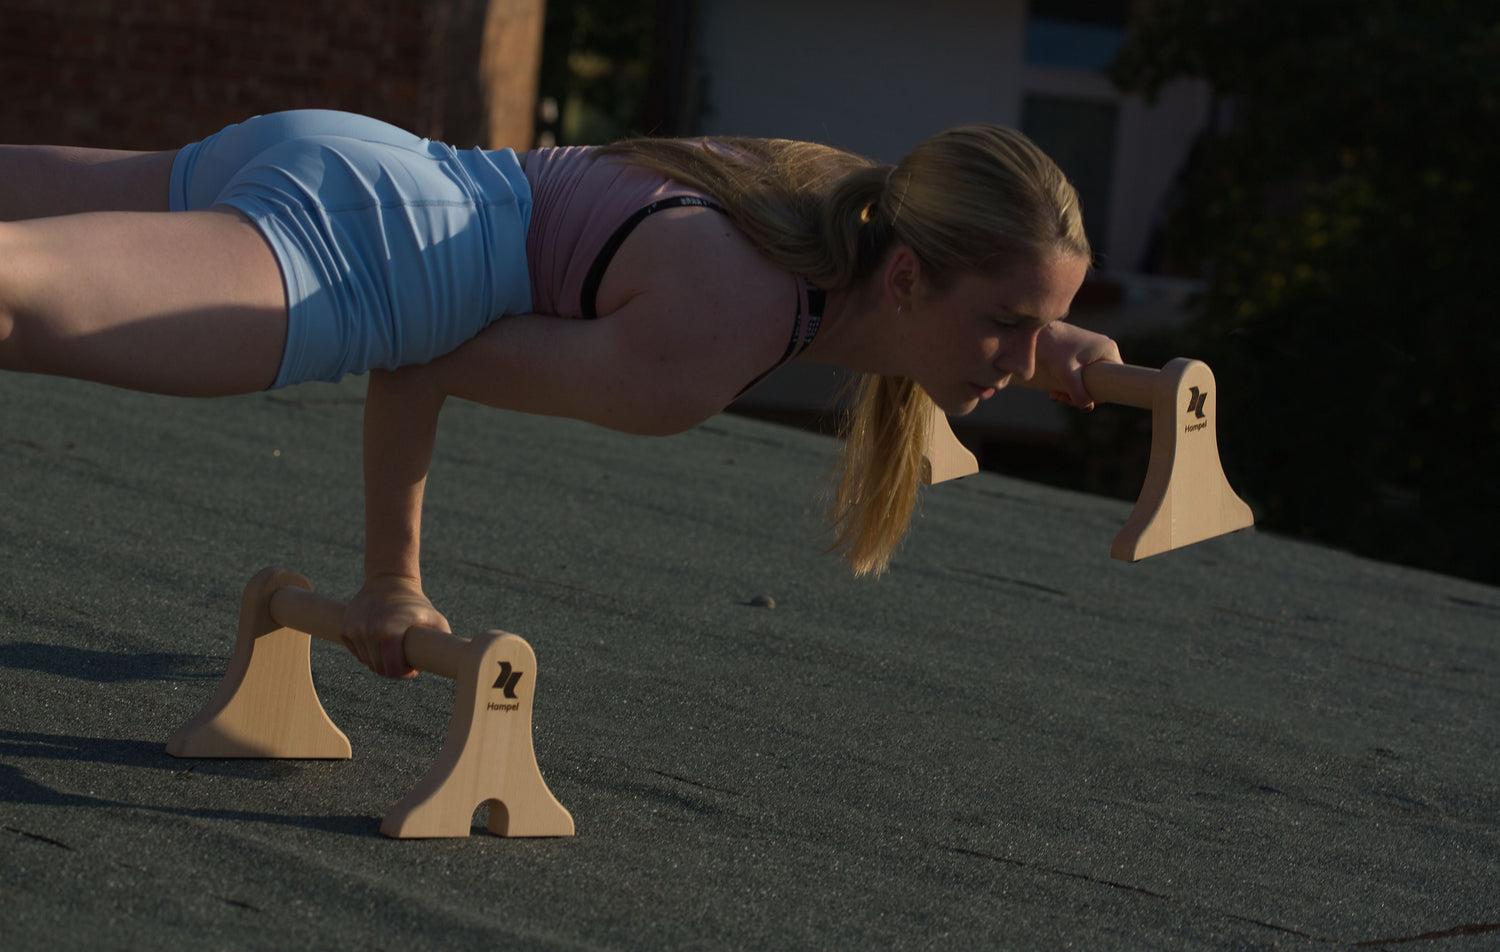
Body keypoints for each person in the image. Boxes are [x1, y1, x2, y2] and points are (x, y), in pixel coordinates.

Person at [0, 110, 1122, 677]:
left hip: (364, 163)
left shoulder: (824, 195)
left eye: (1037, 324)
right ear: (915, 275)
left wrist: (1047, 335)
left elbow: (934, 306)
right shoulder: (710, 343)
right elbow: (429, 354)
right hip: (382, 246)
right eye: (1005, 327)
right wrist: (392, 582)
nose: (1020, 360)